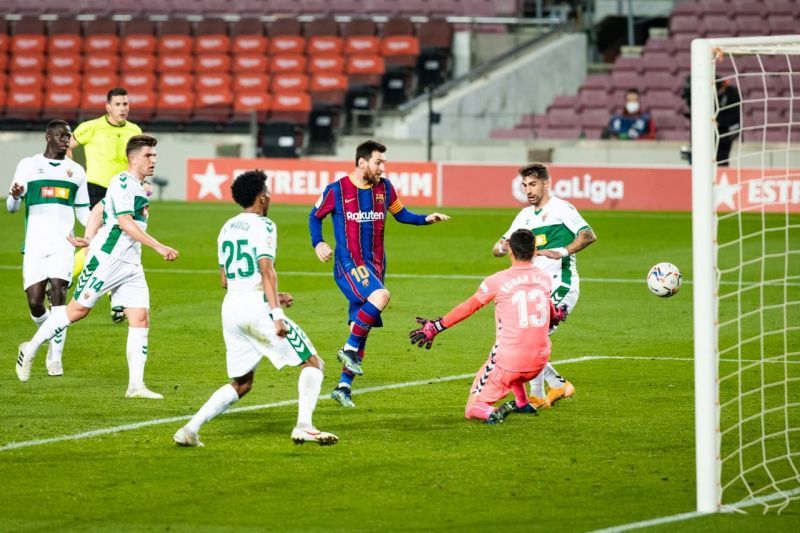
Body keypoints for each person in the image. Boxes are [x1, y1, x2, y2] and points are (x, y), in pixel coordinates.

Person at [173, 170, 338, 447]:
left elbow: (225, 279)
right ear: (262, 197)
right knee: (313, 363)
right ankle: (305, 426)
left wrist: (272, 295)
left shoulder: (227, 226)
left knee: (242, 383)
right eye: (268, 192)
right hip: (256, 310)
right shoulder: (264, 225)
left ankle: (189, 430)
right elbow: (266, 269)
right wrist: (277, 314)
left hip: (231, 310)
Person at [15, 135, 179, 400]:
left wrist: (88, 238)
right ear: (133, 158)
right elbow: (125, 222)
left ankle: (135, 386)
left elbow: (99, 209)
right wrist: (158, 246)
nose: (153, 160)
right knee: (76, 311)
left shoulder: (137, 184)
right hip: (108, 259)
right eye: (149, 156)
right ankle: (30, 347)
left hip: (130, 263)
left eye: (155, 156)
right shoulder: (123, 182)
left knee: (140, 318)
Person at [309, 140, 450, 408]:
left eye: (384, 162)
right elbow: (314, 216)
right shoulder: (337, 190)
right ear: (362, 162)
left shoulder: (384, 189)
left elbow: (402, 215)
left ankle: (343, 387)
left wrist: (425, 219)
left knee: (360, 328)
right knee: (381, 296)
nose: (383, 167)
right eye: (378, 162)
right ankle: (348, 350)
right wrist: (319, 242)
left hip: (375, 265)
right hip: (350, 263)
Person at [409, 229, 567, 424]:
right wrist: (559, 315)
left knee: (472, 407)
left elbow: (468, 307)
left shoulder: (497, 280)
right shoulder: (544, 278)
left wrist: (435, 327)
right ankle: (521, 403)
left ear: (510, 252)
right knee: (520, 347)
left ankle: (490, 413)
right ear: (535, 251)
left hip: (510, 365)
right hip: (539, 364)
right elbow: (553, 315)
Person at [492, 163, 597, 408]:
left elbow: (588, 235)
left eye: (533, 184)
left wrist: (562, 251)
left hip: (562, 286)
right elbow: (498, 246)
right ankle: (552, 389)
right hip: (535, 293)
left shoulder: (562, 209)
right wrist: (502, 247)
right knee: (526, 340)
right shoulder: (524, 216)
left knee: (529, 339)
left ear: (546, 183)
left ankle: (541, 393)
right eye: (525, 185)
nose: (528, 190)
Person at [6, 120, 91, 377]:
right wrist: (16, 195)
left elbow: (83, 211)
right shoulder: (28, 165)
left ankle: (56, 357)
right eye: (61, 136)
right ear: (48, 137)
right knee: (35, 303)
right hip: (35, 244)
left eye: (69, 136)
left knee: (58, 294)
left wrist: (95, 231)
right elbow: (11, 207)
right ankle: (47, 338)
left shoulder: (76, 171)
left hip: (63, 244)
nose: (66, 140)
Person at [70, 87, 143, 323]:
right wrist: (73, 173)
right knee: (104, 240)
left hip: (124, 190)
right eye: (119, 104)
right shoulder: (91, 127)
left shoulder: (134, 130)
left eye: (126, 104)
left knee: (117, 243)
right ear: (108, 107)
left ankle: (114, 300)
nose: (123, 108)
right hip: (98, 189)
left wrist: (144, 182)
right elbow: (67, 146)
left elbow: (139, 160)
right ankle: (67, 277)